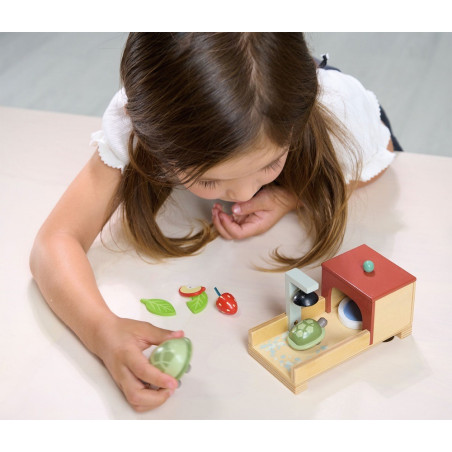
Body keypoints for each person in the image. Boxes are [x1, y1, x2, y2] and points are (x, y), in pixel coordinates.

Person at [30, 33, 397, 412]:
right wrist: (102, 330)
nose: (242, 194)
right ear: (156, 142)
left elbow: (380, 153)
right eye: (209, 181)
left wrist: (290, 196)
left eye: (271, 163)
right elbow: (54, 241)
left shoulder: (335, 105)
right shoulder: (138, 119)